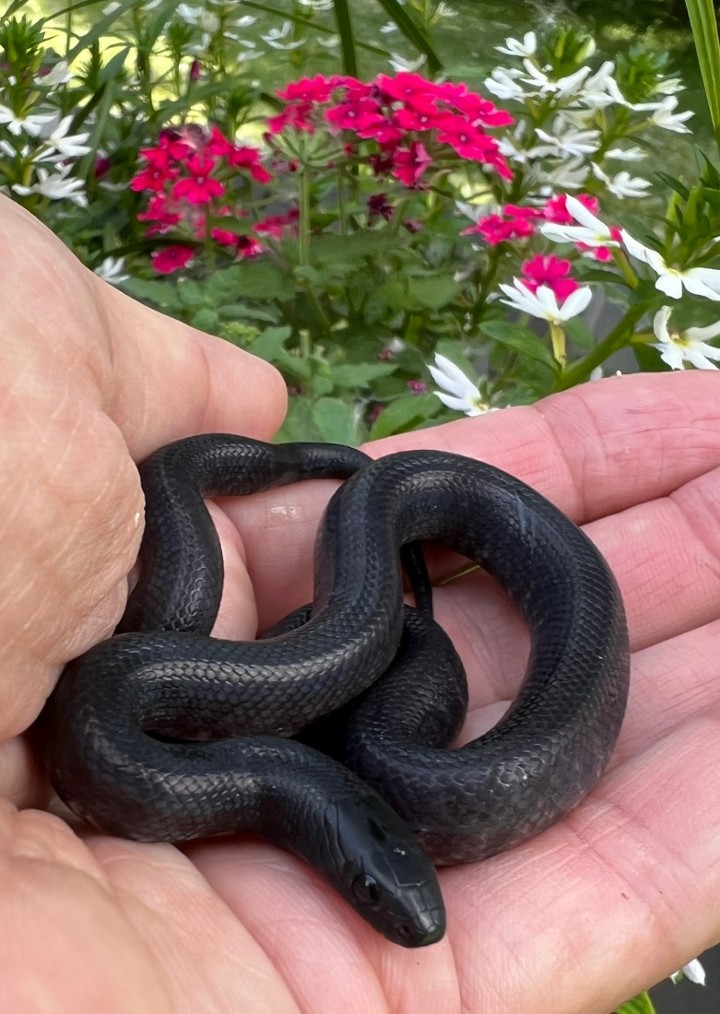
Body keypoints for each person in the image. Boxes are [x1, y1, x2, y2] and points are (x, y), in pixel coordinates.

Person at [1, 191, 718, 1012]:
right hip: (216, 709)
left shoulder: (295, 740)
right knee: (316, 598)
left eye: (382, 893)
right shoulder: (184, 745)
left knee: (381, 663)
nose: (410, 922)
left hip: (298, 681)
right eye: (376, 892)